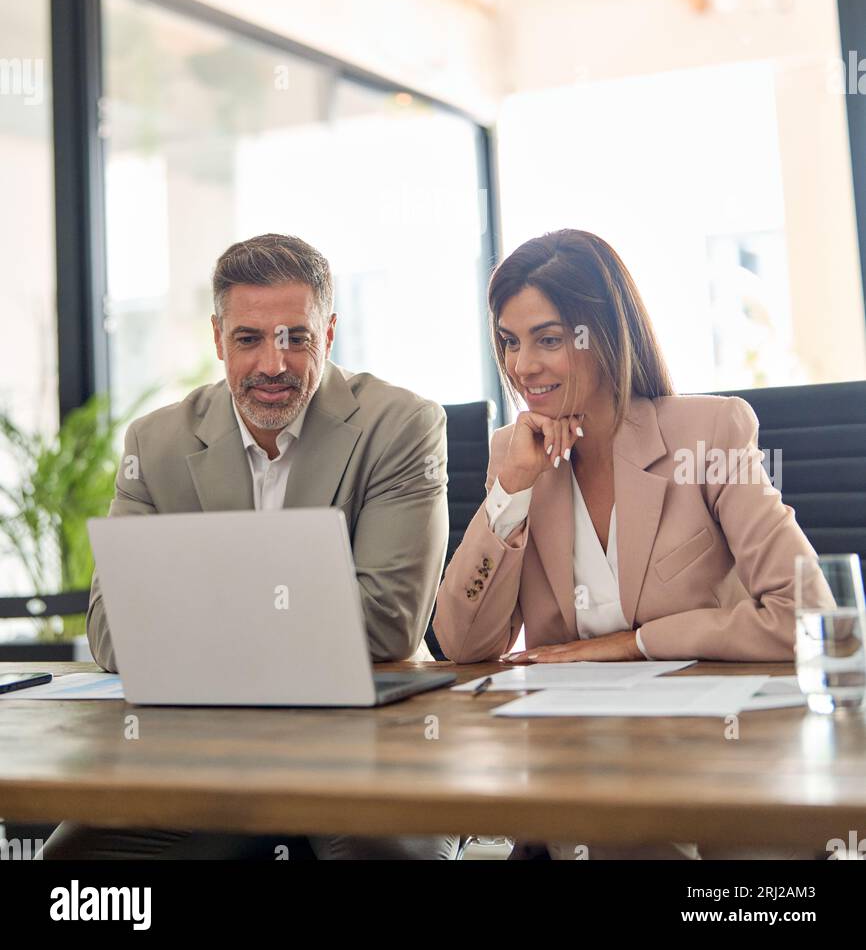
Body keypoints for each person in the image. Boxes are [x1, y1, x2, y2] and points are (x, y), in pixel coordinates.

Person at [41, 232, 457, 862]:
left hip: (364, 741)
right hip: (203, 744)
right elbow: (112, 631)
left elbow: (386, 624)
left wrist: (192, 611)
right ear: (217, 340)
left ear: (331, 332)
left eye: (296, 336)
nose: (272, 364)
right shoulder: (155, 444)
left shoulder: (401, 426)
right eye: (249, 339)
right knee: (75, 867)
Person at [433, 229, 833, 861]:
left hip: (720, 766)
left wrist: (629, 645)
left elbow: (808, 618)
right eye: (509, 341)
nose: (522, 366)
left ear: (604, 335)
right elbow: (462, 643)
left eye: (549, 339)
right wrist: (508, 491)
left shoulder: (710, 434)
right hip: (578, 770)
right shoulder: (515, 459)